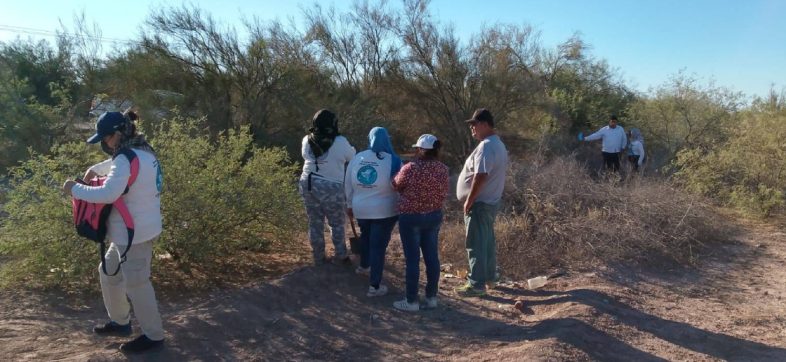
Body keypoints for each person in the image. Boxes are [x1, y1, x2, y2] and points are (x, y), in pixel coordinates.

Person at [62, 111, 165, 353]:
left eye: (105, 139)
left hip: (134, 236)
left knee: (137, 284)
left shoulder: (126, 158)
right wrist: (95, 169)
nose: (104, 144)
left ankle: (154, 336)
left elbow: (107, 194)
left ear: (117, 134)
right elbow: (124, 163)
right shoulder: (144, 150)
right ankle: (120, 322)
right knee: (108, 272)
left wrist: (74, 188)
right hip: (134, 232)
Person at [391, 134, 450, 312]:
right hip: (433, 216)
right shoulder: (443, 169)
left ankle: (411, 301)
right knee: (432, 257)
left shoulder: (410, 168)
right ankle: (431, 297)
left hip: (411, 217)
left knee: (412, 260)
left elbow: (395, 185)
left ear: (421, 150)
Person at [455, 108, 508, 297]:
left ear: (485, 124)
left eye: (474, 124)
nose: (472, 129)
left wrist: (469, 199)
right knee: (486, 242)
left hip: (480, 203)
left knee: (476, 243)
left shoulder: (487, 146)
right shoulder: (497, 144)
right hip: (489, 202)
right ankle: (490, 277)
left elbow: (481, 175)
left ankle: (476, 284)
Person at [345, 127, 401, 297]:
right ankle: (374, 286)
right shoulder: (394, 160)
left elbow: (348, 182)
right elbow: (400, 185)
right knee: (378, 246)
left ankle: (364, 266)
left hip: (361, 208)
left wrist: (349, 204)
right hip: (385, 210)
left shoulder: (358, 157)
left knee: (366, 237)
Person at [299, 109, 356, 265]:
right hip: (330, 185)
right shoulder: (340, 141)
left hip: (308, 182)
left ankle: (318, 257)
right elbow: (351, 157)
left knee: (315, 221)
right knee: (337, 222)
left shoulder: (306, 139)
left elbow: (306, 156)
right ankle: (341, 256)